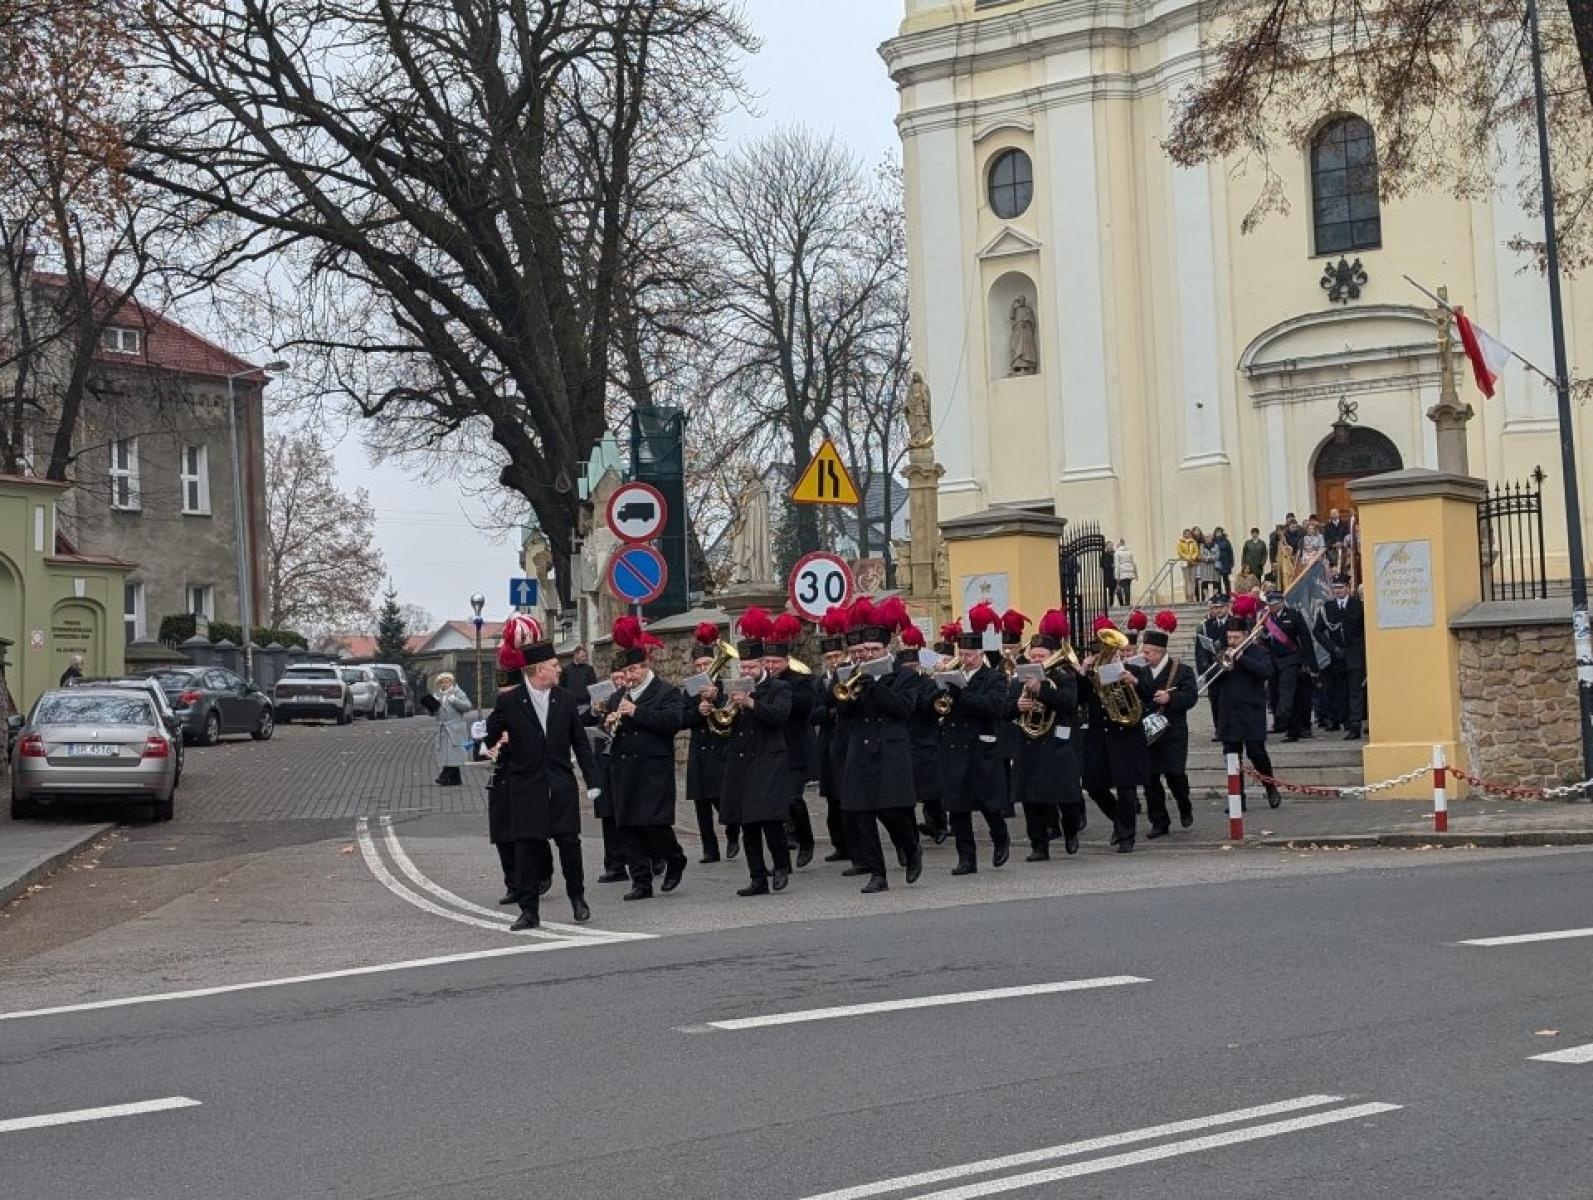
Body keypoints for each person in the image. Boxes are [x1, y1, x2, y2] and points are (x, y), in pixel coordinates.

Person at [483, 615, 599, 932]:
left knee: (569, 846)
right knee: (527, 852)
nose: (559, 669)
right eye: (553, 664)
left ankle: (578, 898)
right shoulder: (510, 702)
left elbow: (580, 743)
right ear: (537, 670)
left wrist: (593, 781)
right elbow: (489, 738)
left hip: (560, 785)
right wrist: (492, 735)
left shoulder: (565, 699)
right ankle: (529, 910)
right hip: (525, 787)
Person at [835, 597, 922, 893]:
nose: (868, 655)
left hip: (890, 750)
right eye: (863, 651)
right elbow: (843, 715)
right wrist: (852, 692)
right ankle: (878, 873)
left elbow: (903, 709)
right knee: (861, 813)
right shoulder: (853, 677)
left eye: (874, 650)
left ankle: (911, 849)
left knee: (892, 812)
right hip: (860, 750)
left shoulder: (905, 677)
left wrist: (877, 688)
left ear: (887, 649)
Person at [606, 615, 687, 900]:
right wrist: (609, 722)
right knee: (627, 825)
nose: (629, 676)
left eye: (633, 670)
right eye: (625, 671)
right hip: (624, 769)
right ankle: (640, 881)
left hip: (653, 768)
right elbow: (613, 726)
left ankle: (675, 858)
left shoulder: (666, 692)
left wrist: (636, 713)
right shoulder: (619, 696)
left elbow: (672, 722)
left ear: (646, 665)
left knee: (654, 824)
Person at [717, 607, 793, 896]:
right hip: (742, 762)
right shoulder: (733, 690)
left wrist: (751, 704)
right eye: (743, 668)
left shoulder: (779, 688)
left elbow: (779, 716)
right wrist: (719, 709)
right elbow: (725, 727)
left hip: (769, 759)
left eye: (752, 667)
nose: (747, 672)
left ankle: (782, 866)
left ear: (763, 664)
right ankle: (757, 877)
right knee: (747, 823)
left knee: (769, 819)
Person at [936, 602, 1013, 873]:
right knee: (957, 807)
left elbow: (996, 707)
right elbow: (938, 706)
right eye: (963, 653)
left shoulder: (994, 677)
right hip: (954, 747)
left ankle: (1000, 837)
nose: (965, 659)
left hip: (981, 747)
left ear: (980, 654)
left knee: (988, 803)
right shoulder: (951, 677)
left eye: (970, 655)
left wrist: (963, 694)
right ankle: (966, 858)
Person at [1007, 609, 1083, 858]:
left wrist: (1041, 690)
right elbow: (1004, 708)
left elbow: (1069, 704)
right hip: (1028, 744)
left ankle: (1071, 833)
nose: (1037, 660)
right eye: (1034, 655)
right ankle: (1038, 846)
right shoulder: (1019, 678)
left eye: (1042, 656)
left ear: (1052, 657)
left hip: (1056, 744)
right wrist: (1018, 706)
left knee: (1067, 798)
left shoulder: (1063, 677)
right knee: (1031, 800)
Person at [1079, 618, 1155, 853]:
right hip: (1099, 737)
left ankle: (1127, 837)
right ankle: (1119, 822)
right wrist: (1082, 673)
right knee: (1094, 786)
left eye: (1113, 652)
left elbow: (1151, 695)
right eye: (1105, 652)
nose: (1110, 655)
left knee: (1126, 788)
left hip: (1126, 735)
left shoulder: (1134, 670)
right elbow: (1078, 700)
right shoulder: (1092, 675)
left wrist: (1135, 683)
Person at [1216, 595, 1283, 809]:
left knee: (1257, 753)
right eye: (1229, 637)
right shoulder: (1222, 654)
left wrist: (1241, 658)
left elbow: (1266, 672)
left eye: (1236, 637)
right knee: (1232, 757)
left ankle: (1270, 788)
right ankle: (1238, 798)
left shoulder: (1258, 652)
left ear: (1246, 635)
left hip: (1251, 712)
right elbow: (1212, 681)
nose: (1232, 641)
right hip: (1229, 712)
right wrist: (1223, 664)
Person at [764, 613, 817, 868]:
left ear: (787, 661)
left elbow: (805, 707)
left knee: (793, 799)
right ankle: (782, 850)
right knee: (774, 802)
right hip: (770, 751)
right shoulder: (760, 684)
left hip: (795, 749)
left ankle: (806, 839)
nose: (771, 666)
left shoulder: (801, 681)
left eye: (776, 661)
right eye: (768, 661)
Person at [1141, 610, 1199, 835]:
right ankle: (1159, 821)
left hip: (1172, 732)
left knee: (1175, 775)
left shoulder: (1182, 671)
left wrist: (1170, 698)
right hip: (1148, 732)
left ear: (1159, 652)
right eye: (1143, 651)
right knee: (1150, 779)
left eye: (1147, 652)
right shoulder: (1141, 671)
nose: (1144, 656)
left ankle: (1184, 805)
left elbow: (1191, 696)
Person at [682, 622, 734, 864]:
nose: (703, 669)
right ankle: (709, 848)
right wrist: (697, 710)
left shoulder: (724, 687)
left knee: (723, 798)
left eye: (706, 664)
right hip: (699, 750)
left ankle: (733, 832)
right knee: (701, 803)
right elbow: (682, 718)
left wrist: (718, 699)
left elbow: (733, 715)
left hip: (721, 749)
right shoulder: (689, 691)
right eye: (699, 666)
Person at [811, 606, 852, 862]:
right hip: (827, 742)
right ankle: (839, 843)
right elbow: (813, 714)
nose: (834, 660)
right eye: (830, 657)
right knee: (832, 801)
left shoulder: (850, 675)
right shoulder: (817, 682)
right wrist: (830, 714)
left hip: (848, 742)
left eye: (838, 655)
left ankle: (853, 842)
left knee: (848, 796)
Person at [585, 656, 632, 883]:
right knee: (607, 814)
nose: (619, 682)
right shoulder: (606, 698)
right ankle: (614, 864)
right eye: (615, 679)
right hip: (603, 761)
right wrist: (595, 711)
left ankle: (650, 858)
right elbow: (582, 720)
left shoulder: (632, 696)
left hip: (626, 762)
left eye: (622, 678)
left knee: (630, 813)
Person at [1314, 574, 1366, 740]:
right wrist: (1332, 648)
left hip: (1355, 654)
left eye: (1341, 588)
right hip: (1337, 655)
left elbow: (1365, 629)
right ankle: (1344, 719)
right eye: (1335, 588)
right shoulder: (1327, 607)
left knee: (1355, 691)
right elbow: (1318, 631)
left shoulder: (1358, 606)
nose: (1338, 591)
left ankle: (1355, 724)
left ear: (1348, 588)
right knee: (1340, 691)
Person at [1261, 588, 1316, 742]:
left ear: (1281, 602)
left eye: (1274, 603)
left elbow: (1305, 639)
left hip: (1291, 660)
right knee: (1275, 694)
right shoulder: (1264, 618)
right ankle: (1282, 723)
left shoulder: (1293, 615)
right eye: (1269, 604)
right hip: (1272, 661)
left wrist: (1310, 663)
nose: (1271, 607)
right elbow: (1264, 640)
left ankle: (1291, 728)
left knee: (1288, 695)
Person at [1195, 594, 1230, 738]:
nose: (1218, 610)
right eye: (1215, 608)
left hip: (1230, 668)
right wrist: (1203, 667)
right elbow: (1200, 649)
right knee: (1214, 700)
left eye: (1221, 607)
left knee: (1229, 700)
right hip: (1213, 667)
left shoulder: (1235, 622)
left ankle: (1230, 727)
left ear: (1227, 607)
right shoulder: (1206, 626)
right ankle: (1219, 729)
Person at [431, 672, 472, 786]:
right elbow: (432, 713)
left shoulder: (458, 693)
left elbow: (467, 706)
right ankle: (455, 779)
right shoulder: (437, 695)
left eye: (447, 681)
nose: (444, 684)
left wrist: (454, 700)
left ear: (451, 682)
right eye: (442, 682)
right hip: (442, 728)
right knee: (446, 753)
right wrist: (431, 706)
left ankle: (444, 776)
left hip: (455, 728)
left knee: (453, 753)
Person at [1240, 527, 1268, 592]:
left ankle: (1257, 595)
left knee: (1257, 582)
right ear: (1251, 534)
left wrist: (1262, 563)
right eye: (1253, 533)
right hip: (1249, 567)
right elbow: (1243, 554)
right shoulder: (1247, 543)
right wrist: (1243, 564)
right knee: (1249, 582)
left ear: (1258, 534)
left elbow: (1265, 554)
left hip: (1258, 567)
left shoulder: (1262, 543)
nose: (1254, 534)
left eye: (1256, 533)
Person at [1176, 529, 1201, 602]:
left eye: (1188, 533)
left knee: (1192, 580)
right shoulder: (1180, 542)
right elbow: (1180, 552)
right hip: (1184, 563)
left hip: (1193, 563)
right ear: (1183, 534)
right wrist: (1187, 557)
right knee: (1186, 580)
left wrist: (1192, 557)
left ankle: (1192, 596)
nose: (1187, 535)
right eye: (1186, 533)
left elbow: (1196, 551)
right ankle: (1186, 597)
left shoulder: (1193, 542)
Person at [1112, 538, 1138, 606]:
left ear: (1118, 545)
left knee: (1124, 588)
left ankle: (1126, 603)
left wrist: (1116, 577)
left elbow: (1117, 565)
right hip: (1130, 571)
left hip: (1122, 572)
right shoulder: (1130, 552)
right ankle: (1127, 602)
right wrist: (1136, 574)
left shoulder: (1117, 553)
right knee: (1128, 587)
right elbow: (1133, 563)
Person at [1212, 527, 1235, 597]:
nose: (1218, 533)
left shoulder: (1226, 541)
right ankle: (1219, 594)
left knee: (1226, 580)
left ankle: (1228, 594)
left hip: (1225, 563)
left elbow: (1230, 552)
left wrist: (1231, 563)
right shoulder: (1213, 542)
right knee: (1217, 581)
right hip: (1217, 563)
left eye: (1219, 532)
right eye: (1217, 532)